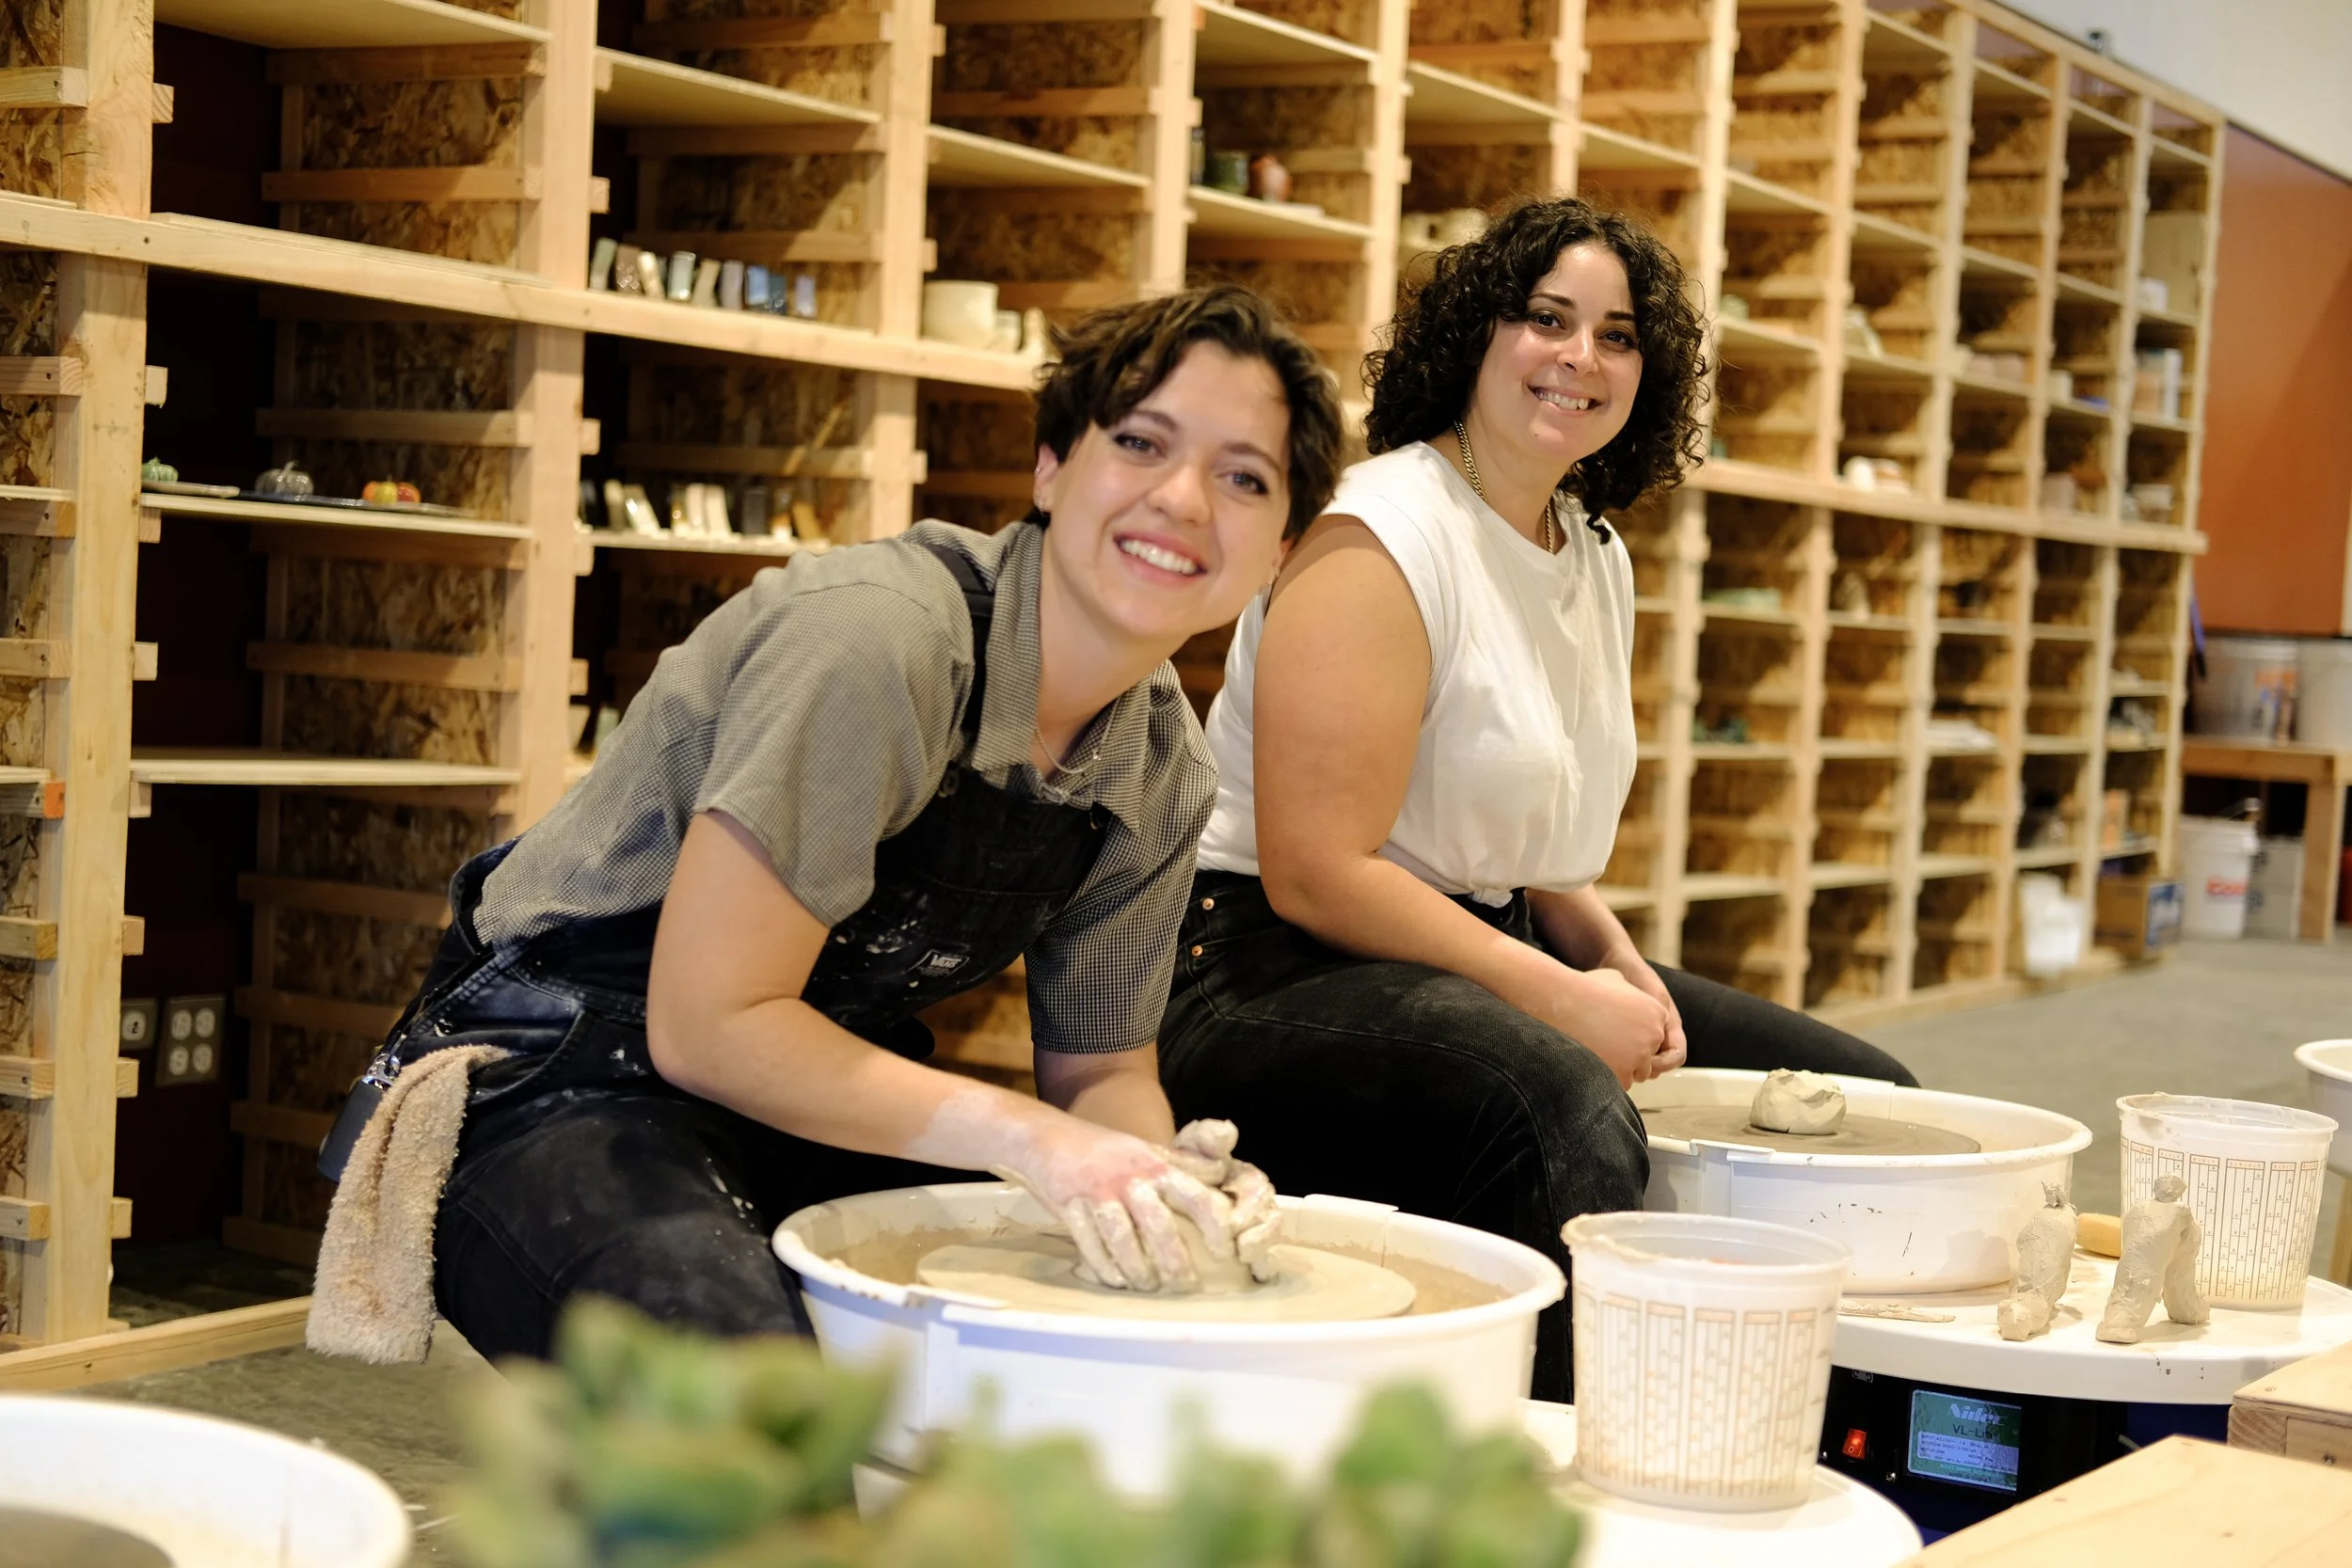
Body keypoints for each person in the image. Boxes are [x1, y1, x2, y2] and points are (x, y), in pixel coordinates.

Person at [314, 286, 1344, 1361]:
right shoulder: (882, 643)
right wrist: (1035, 1144)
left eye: (1243, 477)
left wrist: (1158, 1185)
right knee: (751, 1405)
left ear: (1277, 548)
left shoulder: (1161, 763)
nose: (1183, 499)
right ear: (1050, 466)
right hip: (559, 1079)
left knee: (1054, 1345)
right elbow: (709, 1024)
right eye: (1140, 442)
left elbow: (1100, 1072)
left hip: (808, 1095)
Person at [1155, 198, 1918, 1401]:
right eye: (1547, 319)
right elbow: (1318, 868)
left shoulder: (1586, 548)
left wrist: (1614, 961)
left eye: (1617, 336)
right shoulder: (1379, 533)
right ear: (1473, 335)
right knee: (1556, 1102)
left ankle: (1757, 1417)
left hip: (1473, 943)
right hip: (1263, 966)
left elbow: (1518, 831)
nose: (1581, 357)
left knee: (1870, 1094)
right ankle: (1557, 1463)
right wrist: (1562, 997)